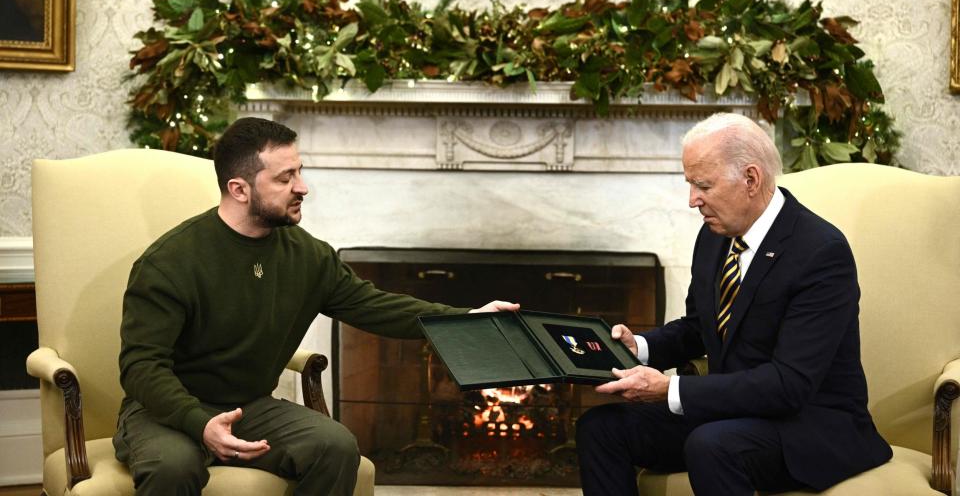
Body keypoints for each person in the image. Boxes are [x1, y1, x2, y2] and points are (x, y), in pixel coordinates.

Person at [114, 117, 518, 496]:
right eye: (285, 177)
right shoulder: (171, 261)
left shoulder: (307, 256)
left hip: (249, 407)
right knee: (173, 467)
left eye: (300, 171)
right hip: (165, 411)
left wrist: (465, 320)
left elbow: (375, 305)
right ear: (240, 189)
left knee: (335, 445)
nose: (302, 186)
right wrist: (199, 423)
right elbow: (141, 366)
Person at [575, 113, 891, 495]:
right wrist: (639, 348)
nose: (693, 201)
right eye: (690, 184)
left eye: (703, 185)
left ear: (751, 179)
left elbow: (789, 385)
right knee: (602, 428)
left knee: (712, 445)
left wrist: (670, 389)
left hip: (809, 426)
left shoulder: (821, 252)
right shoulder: (715, 236)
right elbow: (698, 327)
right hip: (731, 414)